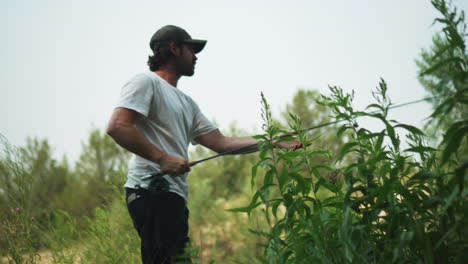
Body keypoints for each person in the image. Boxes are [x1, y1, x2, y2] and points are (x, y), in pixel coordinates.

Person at [106, 25, 301, 264]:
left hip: (172, 196)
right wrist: (162, 159)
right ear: (174, 48)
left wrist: (273, 142)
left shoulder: (187, 103)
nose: (196, 56)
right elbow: (118, 127)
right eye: (191, 49)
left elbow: (222, 143)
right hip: (151, 191)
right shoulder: (145, 82)